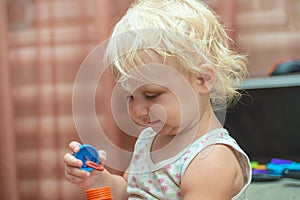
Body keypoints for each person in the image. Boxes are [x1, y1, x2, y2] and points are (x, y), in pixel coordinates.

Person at [64, 0, 252, 199]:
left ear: (202, 79)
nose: (136, 110)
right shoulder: (148, 139)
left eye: (151, 95)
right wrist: (97, 180)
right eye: (130, 96)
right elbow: (129, 191)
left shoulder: (210, 159)